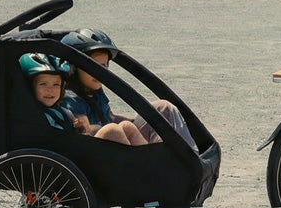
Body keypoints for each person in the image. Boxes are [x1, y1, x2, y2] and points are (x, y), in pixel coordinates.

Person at [59, 27, 197, 150]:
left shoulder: (94, 91)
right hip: (98, 152)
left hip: (115, 146)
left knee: (162, 108)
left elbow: (110, 117)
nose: (100, 73)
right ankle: (154, 166)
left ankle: (188, 156)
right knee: (115, 129)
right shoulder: (72, 98)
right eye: (94, 66)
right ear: (73, 68)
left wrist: (148, 120)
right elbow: (86, 132)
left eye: (104, 67)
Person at [19, 52, 146, 144]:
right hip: (72, 159)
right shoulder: (35, 115)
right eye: (43, 84)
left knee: (126, 126)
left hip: (77, 151)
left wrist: (79, 127)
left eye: (56, 84)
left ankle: (151, 165)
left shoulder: (61, 111)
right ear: (30, 87)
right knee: (112, 130)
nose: (50, 90)